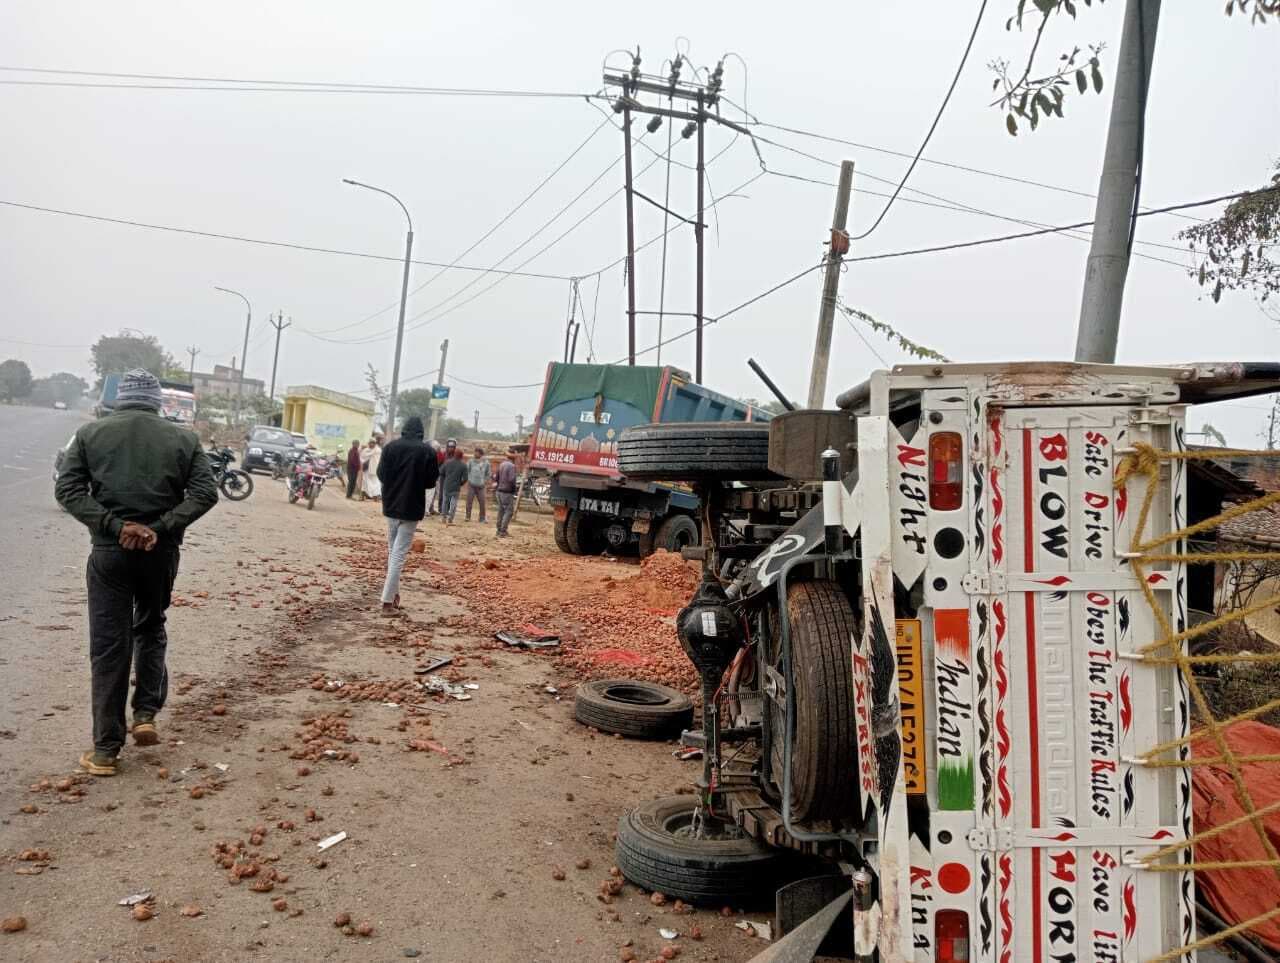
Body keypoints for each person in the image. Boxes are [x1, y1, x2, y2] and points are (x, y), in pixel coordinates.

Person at [54, 369, 218, 776]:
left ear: (120, 399)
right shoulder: (184, 439)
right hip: (159, 553)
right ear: (157, 402)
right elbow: (205, 493)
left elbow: (67, 489)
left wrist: (115, 526)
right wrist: (159, 528)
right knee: (150, 625)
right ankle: (145, 712)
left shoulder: (90, 434)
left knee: (109, 646)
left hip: (110, 553)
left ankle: (106, 751)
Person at [376, 416, 438, 616]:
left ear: (404, 430)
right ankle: (387, 603)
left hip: (391, 506)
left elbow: (381, 474)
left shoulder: (390, 448)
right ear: (421, 432)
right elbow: (430, 482)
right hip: (412, 508)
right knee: (398, 555)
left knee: (393, 552)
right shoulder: (427, 452)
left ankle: (393, 596)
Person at [439, 448, 468, 525]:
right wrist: (460, 484)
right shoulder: (463, 465)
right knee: (454, 503)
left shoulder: (447, 462)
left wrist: (446, 478)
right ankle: (450, 519)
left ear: (454, 454)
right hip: (456, 487)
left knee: (445, 502)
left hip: (447, 485)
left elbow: (441, 472)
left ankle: (443, 518)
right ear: (462, 456)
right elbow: (465, 478)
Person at [494, 448, 519, 537]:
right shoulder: (512, 466)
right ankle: (503, 531)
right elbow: (512, 479)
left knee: (501, 510)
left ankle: (498, 530)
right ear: (514, 458)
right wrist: (514, 489)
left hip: (499, 491)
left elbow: (496, 478)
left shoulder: (502, 464)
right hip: (507, 492)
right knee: (509, 511)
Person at [432, 438, 458, 514]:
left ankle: (448, 509)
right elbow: (438, 464)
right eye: (449, 446)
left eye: (452, 447)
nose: (451, 448)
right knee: (441, 494)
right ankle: (441, 509)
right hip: (443, 477)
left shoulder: (456, 456)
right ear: (447, 446)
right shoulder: (443, 454)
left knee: (450, 494)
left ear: (455, 447)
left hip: (452, 478)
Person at [465, 447, 490, 522]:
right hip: (471, 485)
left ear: (481, 454)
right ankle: (468, 517)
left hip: (481, 487)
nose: (475, 453)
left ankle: (482, 518)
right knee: (469, 501)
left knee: (482, 502)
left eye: (477, 452)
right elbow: (466, 471)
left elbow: (488, 474)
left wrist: (484, 482)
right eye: (475, 452)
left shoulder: (486, 463)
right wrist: (469, 479)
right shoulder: (470, 461)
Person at [362, 435, 383, 500]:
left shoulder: (378, 450)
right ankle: (364, 496)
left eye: (373, 443)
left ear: (375, 443)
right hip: (366, 469)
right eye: (370, 443)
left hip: (375, 469)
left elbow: (376, 457)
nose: (371, 444)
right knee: (365, 482)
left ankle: (375, 497)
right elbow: (363, 457)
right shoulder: (366, 450)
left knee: (376, 483)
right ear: (369, 443)